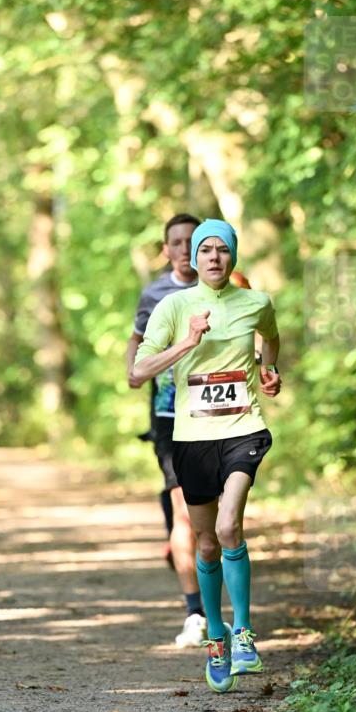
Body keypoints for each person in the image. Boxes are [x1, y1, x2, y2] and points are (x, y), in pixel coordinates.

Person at [133, 219, 281, 693]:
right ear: (193, 258)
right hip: (192, 437)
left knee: (228, 525)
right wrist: (187, 343)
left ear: (232, 256)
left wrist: (269, 368)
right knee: (206, 544)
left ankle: (243, 634)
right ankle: (214, 634)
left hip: (244, 429)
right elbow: (139, 370)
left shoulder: (255, 302)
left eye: (222, 249)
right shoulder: (173, 306)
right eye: (206, 250)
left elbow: (271, 338)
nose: (214, 257)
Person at [127, 213, 207, 648]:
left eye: (193, 241)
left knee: (211, 517)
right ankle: (195, 612)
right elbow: (137, 339)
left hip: (218, 416)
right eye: (176, 242)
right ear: (166, 249)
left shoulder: (226, 287)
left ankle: (215, 601)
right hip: (170, 415)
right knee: (183, 512)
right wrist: (132, 372)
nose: (184, 248)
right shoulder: (154, 292)